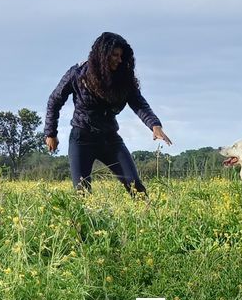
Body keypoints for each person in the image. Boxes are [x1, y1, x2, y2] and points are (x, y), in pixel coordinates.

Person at [44, 32, 172, 195]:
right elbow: (55, 100)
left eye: (121, 56)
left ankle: (149, 219)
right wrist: (50, 133)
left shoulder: (123, 78)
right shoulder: (78, 73)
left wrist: (155, 125)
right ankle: (85, 221)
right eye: (115, 55)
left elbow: (138, 103)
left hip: (110, 139)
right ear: (102, 55)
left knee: (136, 187)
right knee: (82, 193)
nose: (119, 60)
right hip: (81, 139)